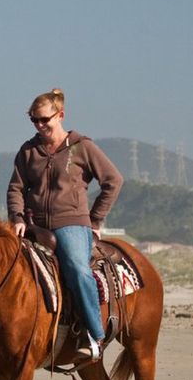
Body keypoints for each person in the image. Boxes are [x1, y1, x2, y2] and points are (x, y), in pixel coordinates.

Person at [7, 88, 123, 361]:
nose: (39, 125)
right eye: (34, 120)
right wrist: (18, 218)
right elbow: (15, 188)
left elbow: (113, 181)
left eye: (44, 120)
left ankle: (95, 335)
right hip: (34, 226)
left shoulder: (82, 147)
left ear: (60, 116)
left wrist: (95, 220)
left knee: (76, 267)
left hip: (71, 223)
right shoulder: (28, 151)